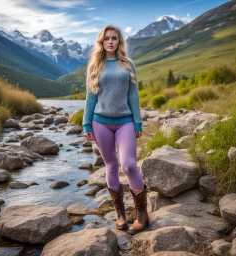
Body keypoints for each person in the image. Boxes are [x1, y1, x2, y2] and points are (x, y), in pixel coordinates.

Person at [82, 24, 149, 234]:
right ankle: (120, 214)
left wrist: (137, 122)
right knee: (111, 166)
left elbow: (133, 95)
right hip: (100, 122)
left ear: (119, 42)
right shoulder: (95, 66)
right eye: (106, 39)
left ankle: (142, 215)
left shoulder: (127, 64)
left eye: (114, 38)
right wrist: (86, 123)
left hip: (125, 121)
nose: (110, 41)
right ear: (101, 42)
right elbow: (91, 96)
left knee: (128, 165)